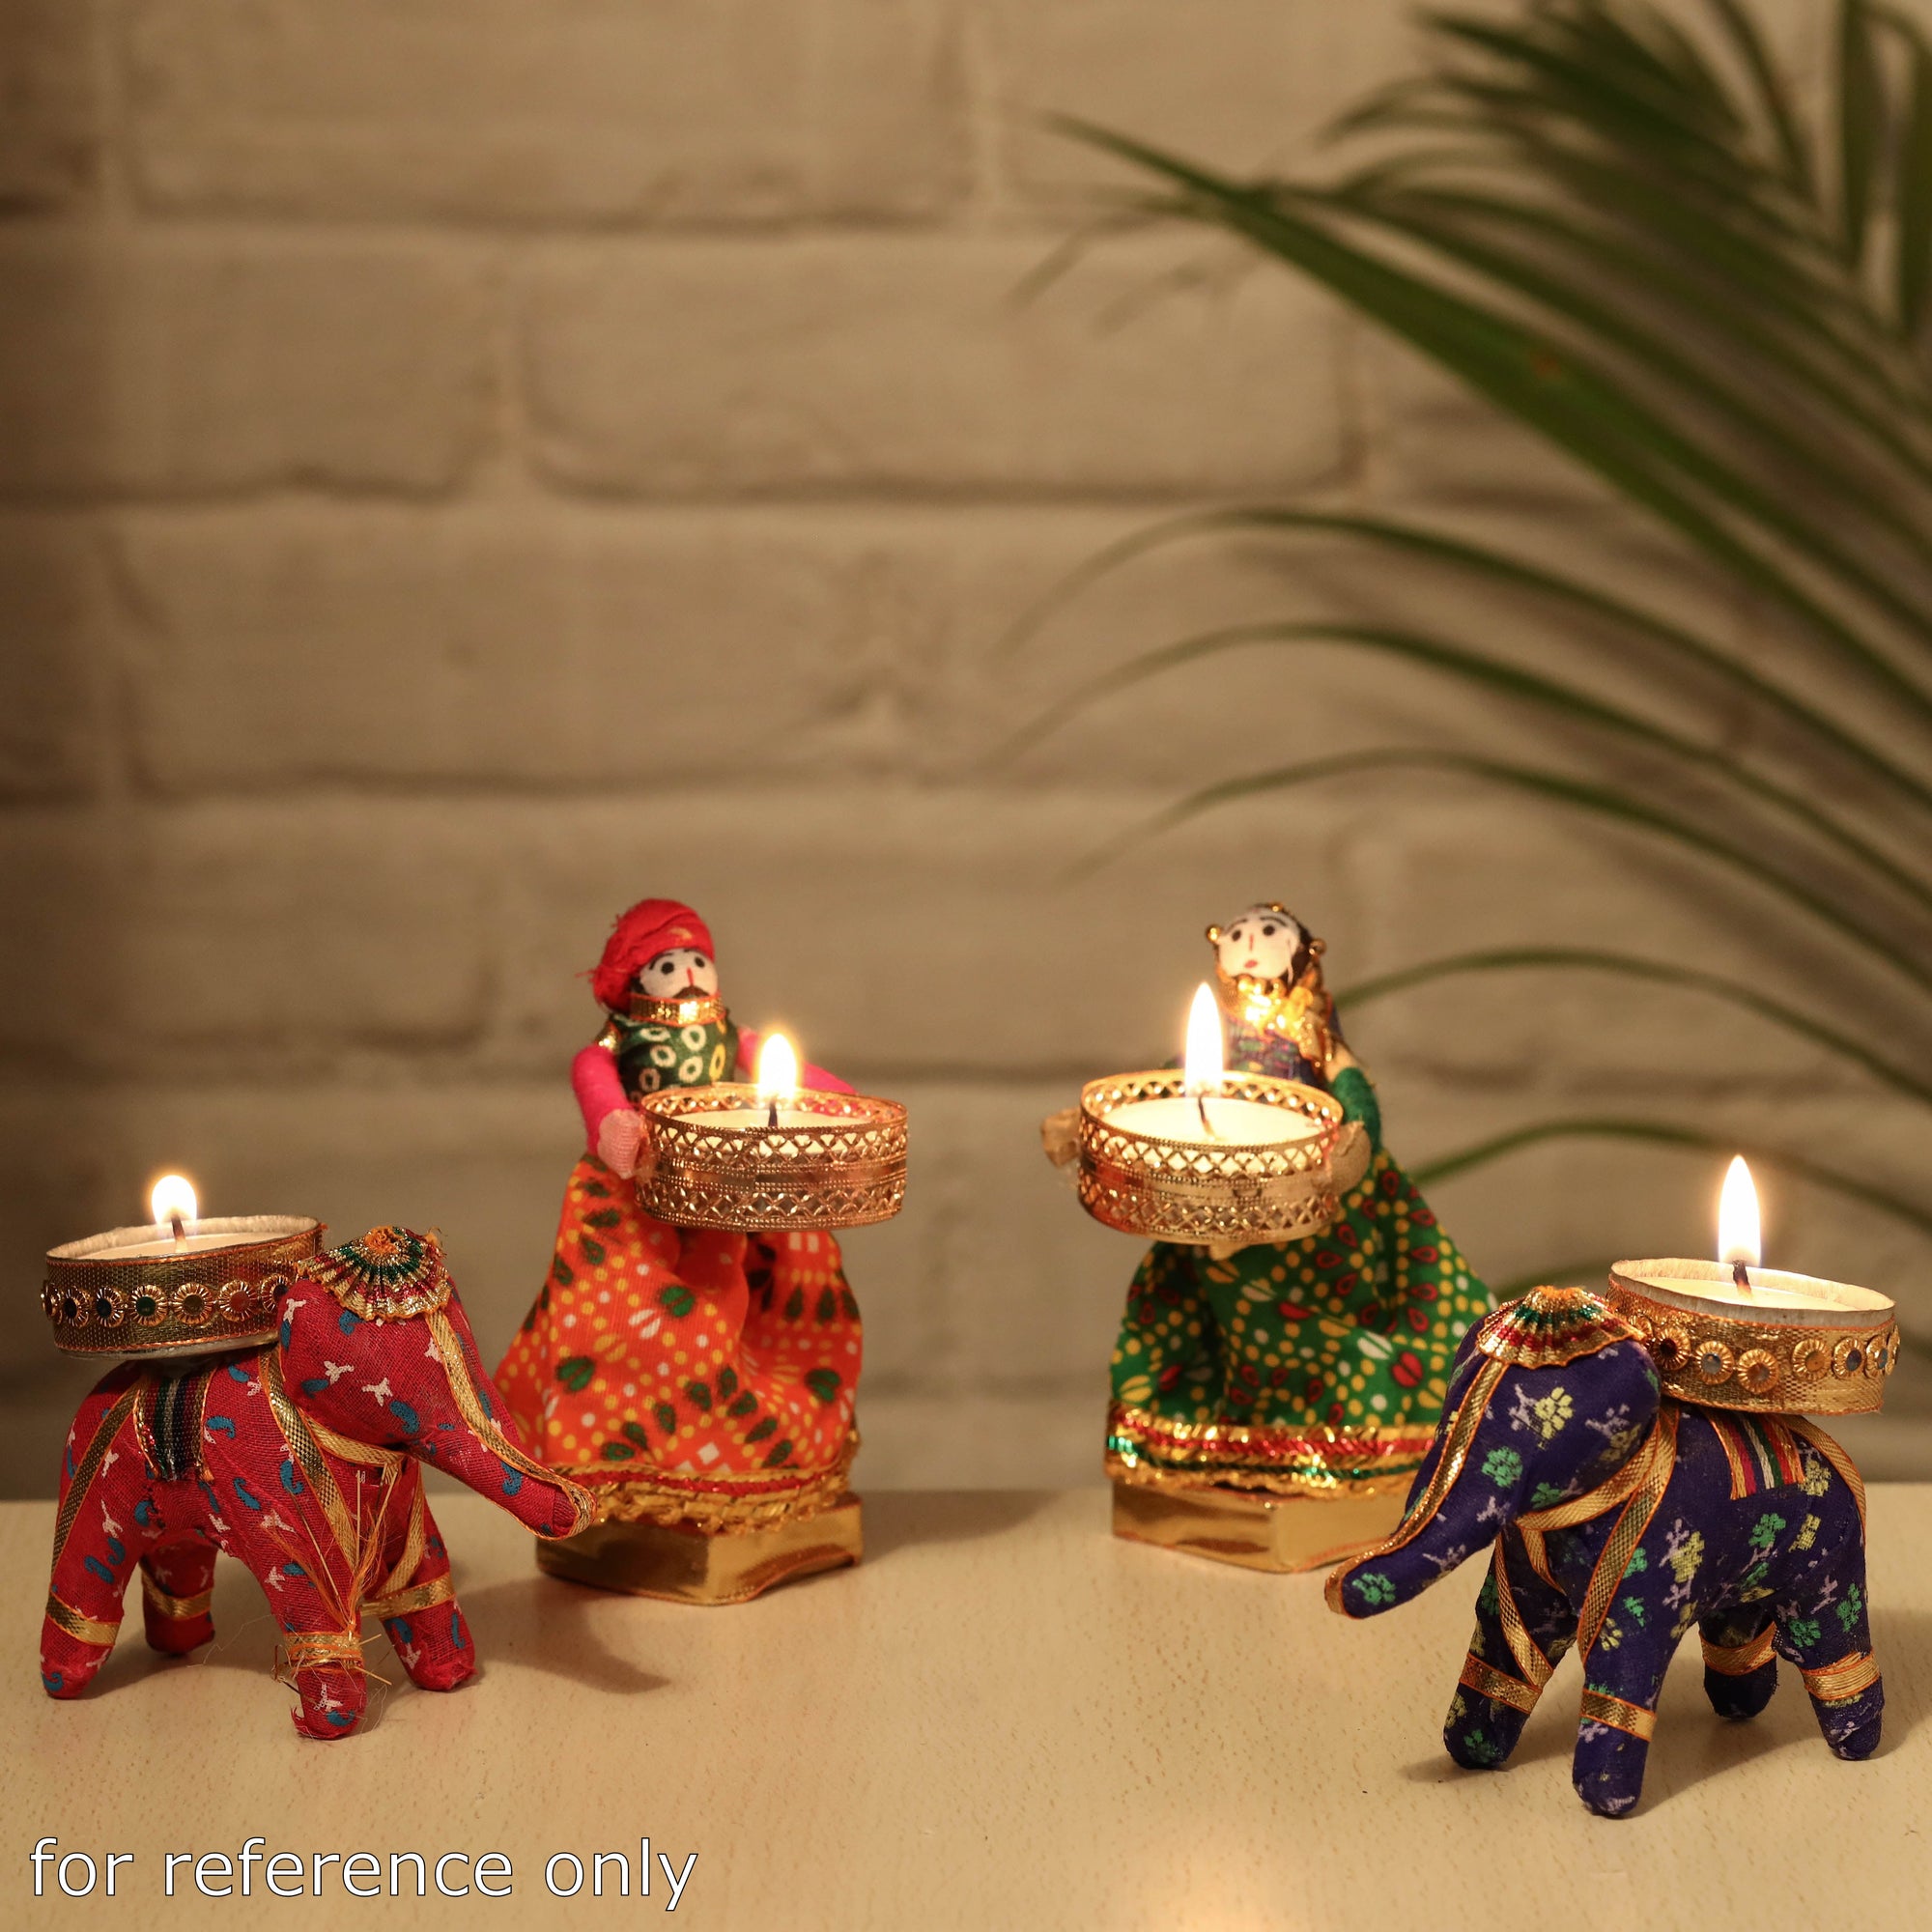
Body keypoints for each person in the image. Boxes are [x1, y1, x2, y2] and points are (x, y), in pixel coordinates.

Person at [1104, 902, 1491, 1502]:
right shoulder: (1223, 1031)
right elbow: (1165, 1091)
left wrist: (1354, 1143)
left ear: (1302, 955)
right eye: (1239, 935)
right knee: (1201, 1310)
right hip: (1218, 1203)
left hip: (1311, 1204)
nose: (1251, 944)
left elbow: (1349, 1082)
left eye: (1268, 934)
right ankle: (1218, 1439)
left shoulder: (1310, 1030)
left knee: (1311, 1314)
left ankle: (1329, 1440)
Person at [496, 898, 861, 1530]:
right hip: (639, 1196)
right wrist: (614, 1125)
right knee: (626, 1312)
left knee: (783, 1304)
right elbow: (593, 1075)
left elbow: (789, 1073)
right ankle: (622, 1465)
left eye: (697, 959)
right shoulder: (620, 1038)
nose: (688, 973)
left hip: (739, 1191)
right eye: (668, 964)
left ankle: (758, 1467)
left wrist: (839, 1105)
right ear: (635, 979)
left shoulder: (727, 1031)